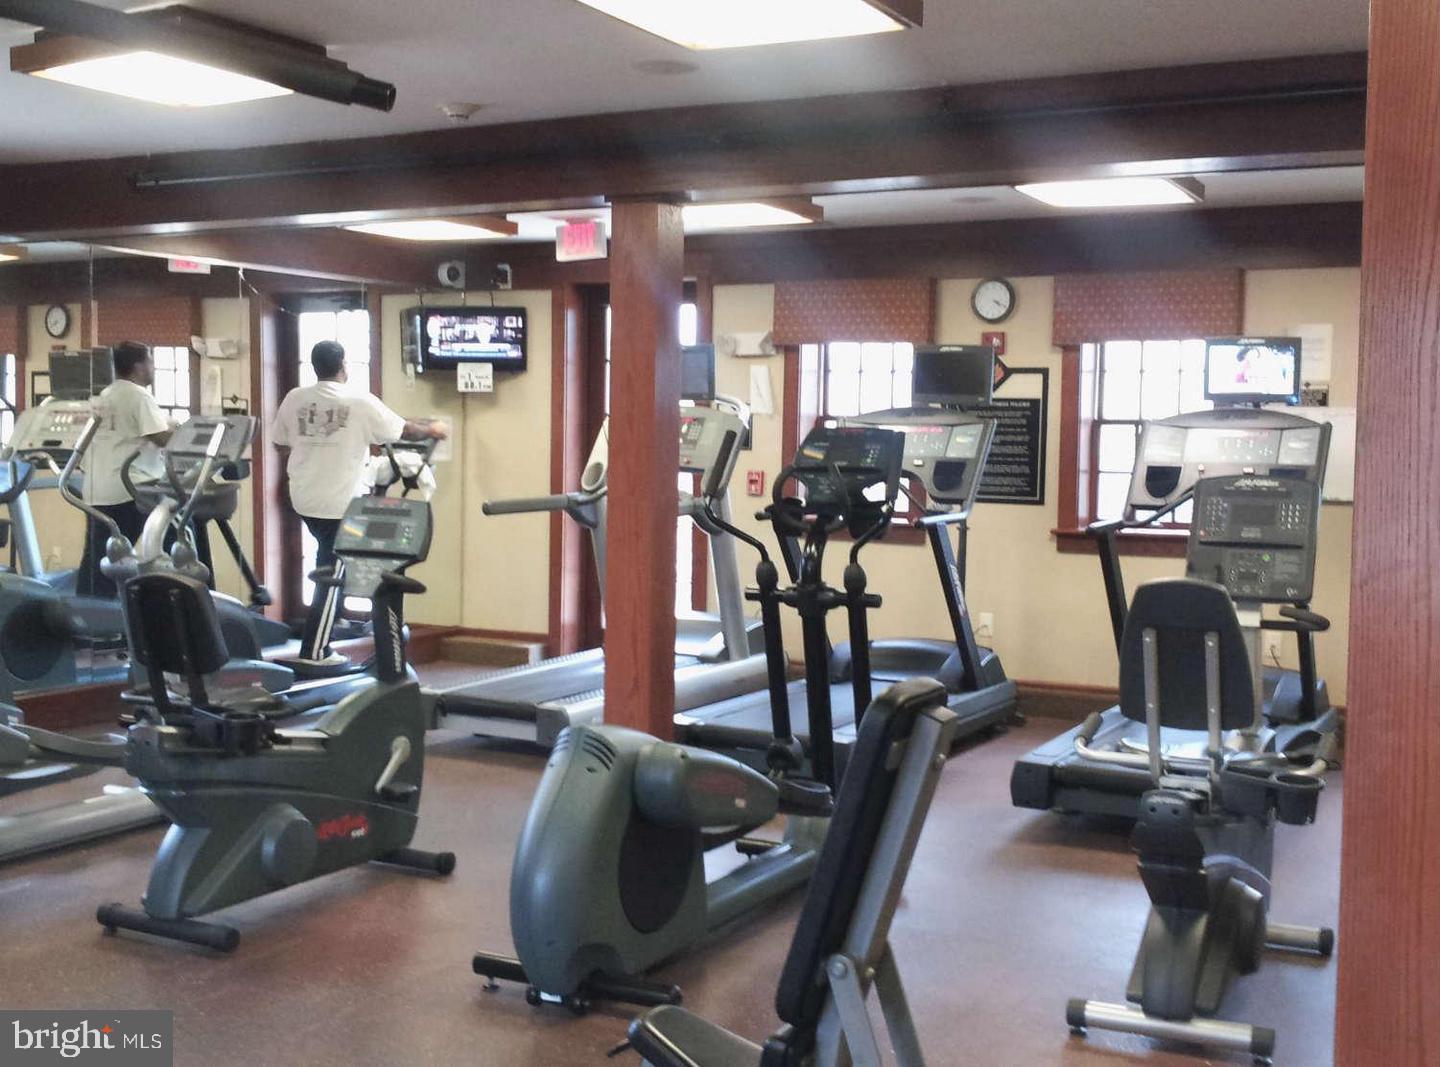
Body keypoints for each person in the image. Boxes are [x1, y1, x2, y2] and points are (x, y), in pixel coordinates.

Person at [272, 340, 447, 576]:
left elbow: (279, 444)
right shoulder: (359, 400)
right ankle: (329, 604)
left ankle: (326, 602)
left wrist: (315, 448)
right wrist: (433, 430)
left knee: (329, 554)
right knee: (342, 559)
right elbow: (404, 431)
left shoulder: (294, 398)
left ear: (315, 367)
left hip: (304, 501)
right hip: (342, 504)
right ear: (343, 365)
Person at [80, 341, 174, 598]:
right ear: (138, 366)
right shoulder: (139, 395)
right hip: (128, 489)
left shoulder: (106, 395)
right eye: (151, 361)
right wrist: (186, 433)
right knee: (172, 539)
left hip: (97, 490)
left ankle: (89, 621)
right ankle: (169, 605)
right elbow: (160, 437)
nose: (153, 367)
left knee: (98, 561)